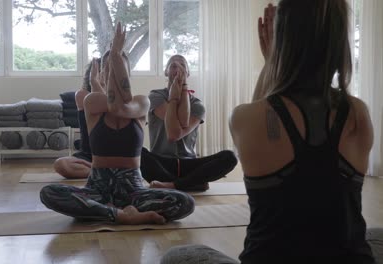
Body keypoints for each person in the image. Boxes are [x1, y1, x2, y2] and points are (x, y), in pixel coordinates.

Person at [161, 1, 383, 263]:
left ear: (282, 43)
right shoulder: (358, 115)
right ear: (338, 44)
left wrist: (272, 64)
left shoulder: (246, 118)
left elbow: (262, 112)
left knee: (180, 254)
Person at [40, 22, 194, 225]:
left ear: (127, 74)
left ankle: (104, 212)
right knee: (49, 193)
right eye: (109, 68)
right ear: (102, 74)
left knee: (185, 203)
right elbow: (113, 105)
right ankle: (120, 215)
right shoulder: (92, 101)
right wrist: (113, 58)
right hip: (97, 187)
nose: (113, 70)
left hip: (134, 189)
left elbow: (120, 107)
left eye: (118, 67)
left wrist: (115, 56)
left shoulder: (141, 102)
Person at [142, 54, 238, 191]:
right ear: (166, 71)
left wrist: (184, 87)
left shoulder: (197, 105)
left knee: (230, 157)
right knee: (137, 152)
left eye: (182, 66)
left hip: (189, 162)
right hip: (161, 162)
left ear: (187, 73)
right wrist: (174, 96)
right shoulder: (155, 96)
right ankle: (192, 182)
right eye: (174, 66)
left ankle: (174, 185)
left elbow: (180, 127)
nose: (178, 69)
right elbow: (173, 133)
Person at [53, 61, 97, 179]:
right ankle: (101, 170)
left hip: (116, 156)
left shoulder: (120, 100)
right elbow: (99, 102)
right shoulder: (82, 95)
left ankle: (101, 170)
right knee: (61, 164)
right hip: (89, 155)